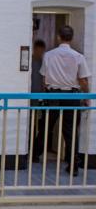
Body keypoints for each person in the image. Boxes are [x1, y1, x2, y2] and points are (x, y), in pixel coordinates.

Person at [34, 25, 91, 176]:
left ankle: (34, 155)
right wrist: (86, 97)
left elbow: (44, 79)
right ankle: (73, 166)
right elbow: (83, 80)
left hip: (52, 95)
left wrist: (46, 92)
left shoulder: (49, 55)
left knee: (46, 126)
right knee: (71, 131)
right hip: (72, 96)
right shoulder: (78, 57)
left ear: (59, 37)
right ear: (71, 38)